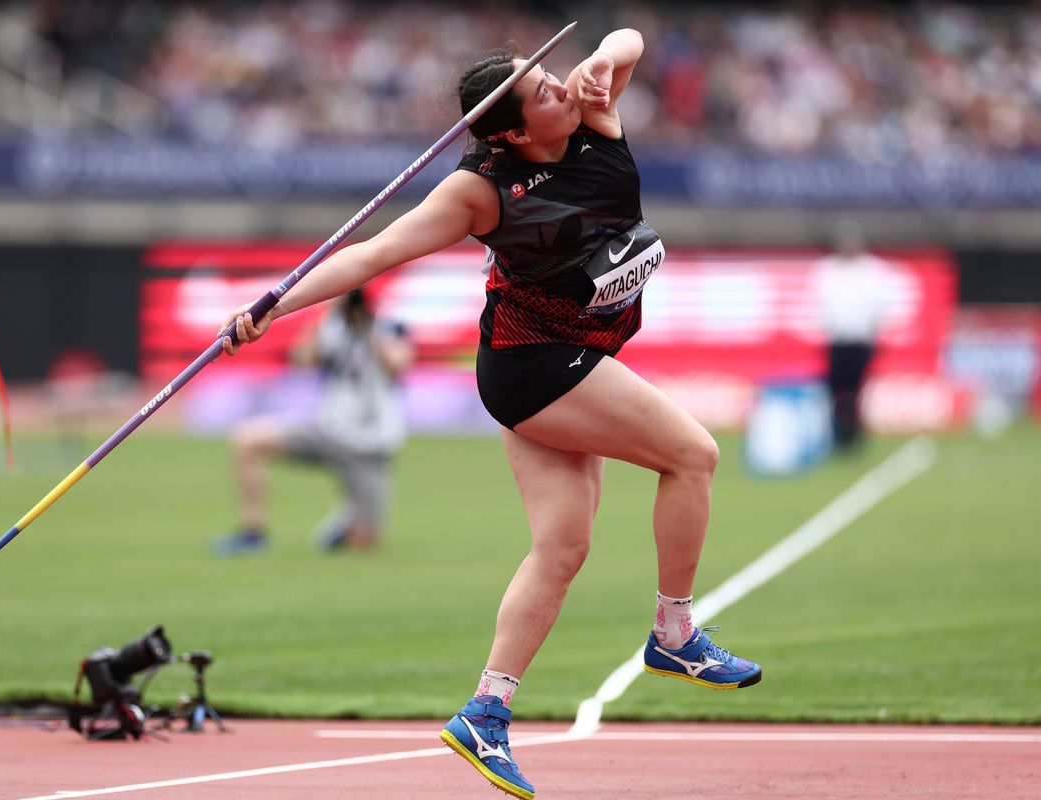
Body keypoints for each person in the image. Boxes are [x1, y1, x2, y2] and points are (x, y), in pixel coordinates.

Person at [218, 28, 761, 800]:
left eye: (551, 74)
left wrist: (606, 60)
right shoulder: (479, 192)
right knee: (693, 455)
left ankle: (486, 710)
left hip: (571, 361)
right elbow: (372, 255)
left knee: (561, 549)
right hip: (534, 367)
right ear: (509, 132)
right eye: (541, 91)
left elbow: (628, 38)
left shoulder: (593, 116)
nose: (559, 89)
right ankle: (674, 633)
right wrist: (271, 306)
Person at [213, 288, 413, 555]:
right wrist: (325, 315)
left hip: (370, 444)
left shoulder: (388, 327)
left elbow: (398, 365)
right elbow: (303, 360)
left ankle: (346, 521)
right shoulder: (331, 327)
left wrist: (366, 328)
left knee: (363, 542)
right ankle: (253, 533)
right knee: (248, 440)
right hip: (330, 429)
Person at [812, 220, 896, 452]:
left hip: (861, 341)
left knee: (857, 391)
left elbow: (879, 306)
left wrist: (873, 331)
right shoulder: (827, 270)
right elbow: (823, 307)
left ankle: (855, 437)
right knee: (835, 391)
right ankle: (837, 435)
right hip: (837, 341)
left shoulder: (872, 271)